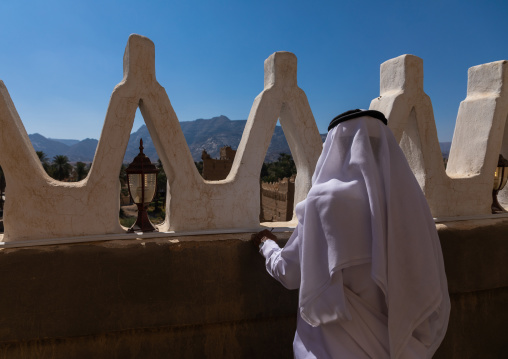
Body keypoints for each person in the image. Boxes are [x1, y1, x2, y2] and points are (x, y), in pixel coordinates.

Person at [252, 109, 450, 359]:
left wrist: (266, 245)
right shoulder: (410, 204)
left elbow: (289, 273)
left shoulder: (324, 203)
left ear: (334, 146)